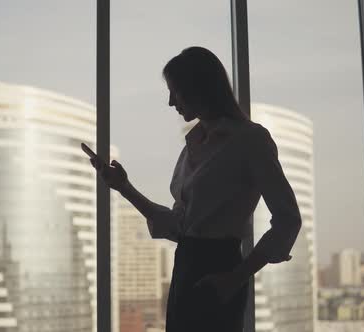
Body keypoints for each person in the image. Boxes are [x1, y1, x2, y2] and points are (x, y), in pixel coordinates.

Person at [90, 46, 302, 332]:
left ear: (198, 88)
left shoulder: (250, 140)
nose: (169, 102)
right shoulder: (193, 144)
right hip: (185, 269)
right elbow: (180, 226)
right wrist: (123, 187)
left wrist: (235, 278)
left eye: (174, 91)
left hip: (220, 271)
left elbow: (288, 219)